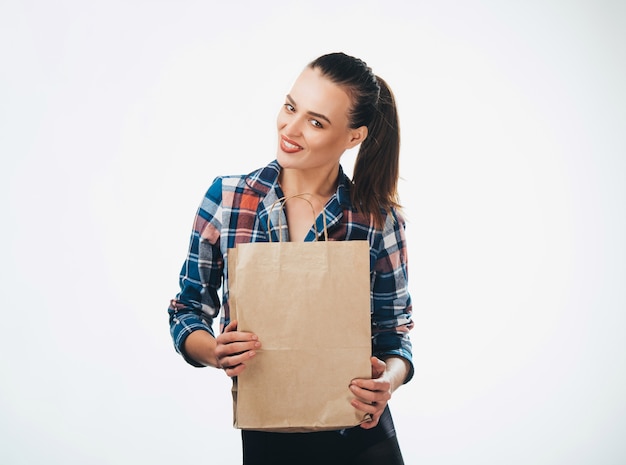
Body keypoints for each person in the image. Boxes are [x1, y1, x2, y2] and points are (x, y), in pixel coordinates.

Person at [168, 52, 414, 465]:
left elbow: (396, 334)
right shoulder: (228, 200)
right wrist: (214, 352)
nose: (290, 128)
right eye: (290, 107)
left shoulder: (377, 219)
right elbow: (187, 310)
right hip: (268, 439)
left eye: (316, 122)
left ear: (354, 137)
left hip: (361, 438)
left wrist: (387, 380)